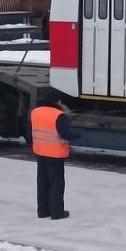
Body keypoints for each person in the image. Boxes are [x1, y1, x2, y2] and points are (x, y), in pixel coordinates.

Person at [30, 91, 82, 220]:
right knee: (56, 184)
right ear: (57, 101)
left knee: (42, 183)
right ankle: (57, 212)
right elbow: (66, 134)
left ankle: (43, 211)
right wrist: (78, 135)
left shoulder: (35, 112)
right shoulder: (58, 115)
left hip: (40, 152)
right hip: (55, 155)